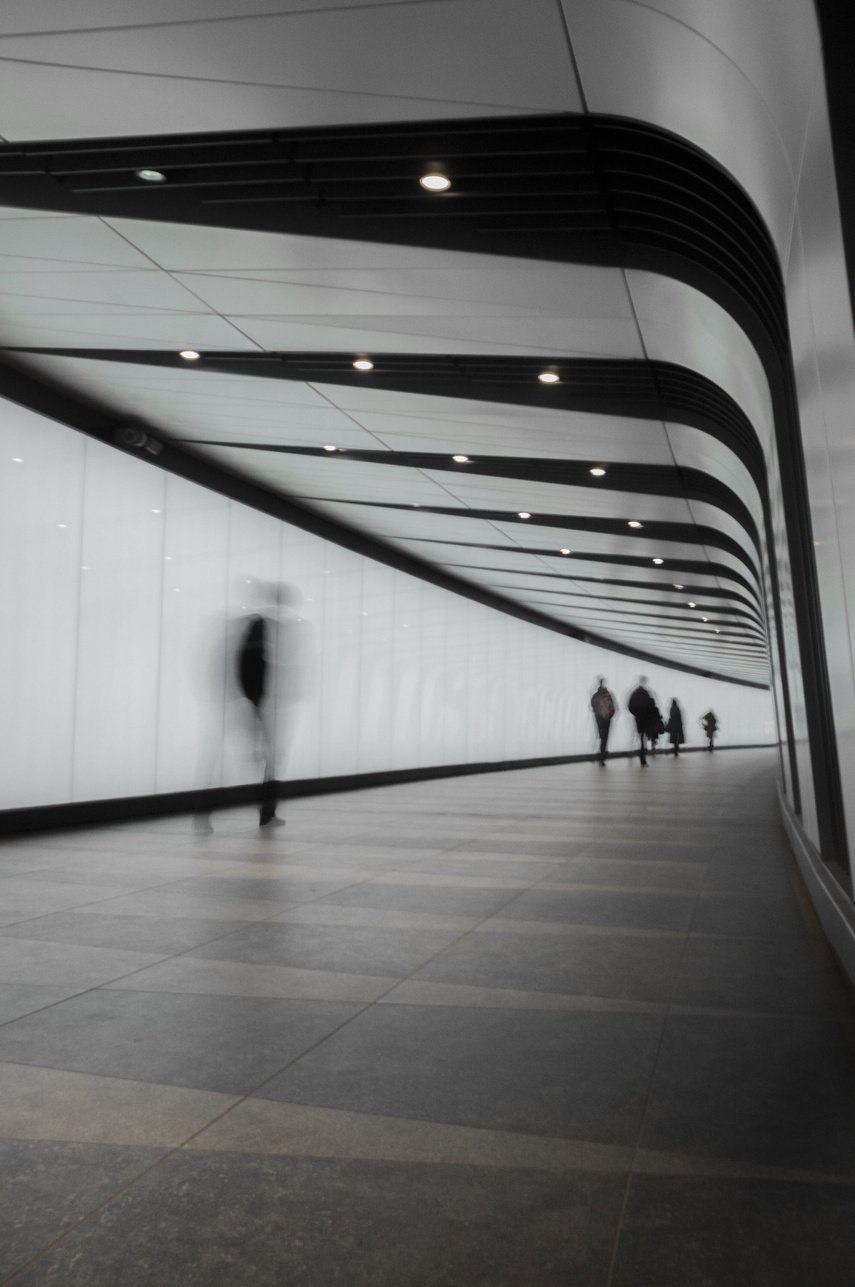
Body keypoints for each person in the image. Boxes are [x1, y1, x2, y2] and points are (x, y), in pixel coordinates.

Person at [627, 676, 659, 766]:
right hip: (646, 719)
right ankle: (642, 757)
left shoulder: (634, 694)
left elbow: (629, 706)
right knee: (643, 738)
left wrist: (636, 714)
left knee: (640, 737)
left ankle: (640, 755)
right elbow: (652, 707)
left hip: (638, 719)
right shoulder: (647, 693)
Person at [590, 678, 616, 765]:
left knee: (601, 736)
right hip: (607, 718)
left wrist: (598, 713)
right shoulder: (608, 694)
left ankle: (601, 754)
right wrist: (609, 715)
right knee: (605, 737)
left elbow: (592, 706)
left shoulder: (595, 695)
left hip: (598, 719)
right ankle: (602, 755)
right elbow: (613, 707)